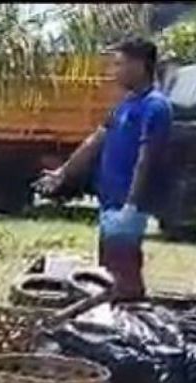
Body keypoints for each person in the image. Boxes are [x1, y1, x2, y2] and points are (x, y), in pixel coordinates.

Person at [38, 36, 173, 302]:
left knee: (124, 278)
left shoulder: (155, 106)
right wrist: (63, 173)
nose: (115, 72)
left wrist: (131, 206)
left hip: (127, 204)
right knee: (108, 272)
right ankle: (118, 324)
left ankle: (135, 329)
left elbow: (147, 159)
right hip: (109, 201)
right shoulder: (124, 104)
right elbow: (94, 142)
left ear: (139, 65)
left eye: (120, 64)